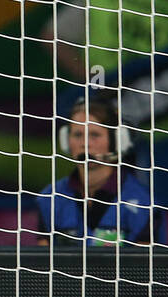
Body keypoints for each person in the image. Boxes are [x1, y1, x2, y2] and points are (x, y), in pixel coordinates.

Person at [34, 94, 161, 246]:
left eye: (94, 135)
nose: (85, 143)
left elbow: (146, 267)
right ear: (65, 141)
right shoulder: (49, 198)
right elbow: (42, 263)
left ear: (117, 141)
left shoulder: (143, 202)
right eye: (78, 135)